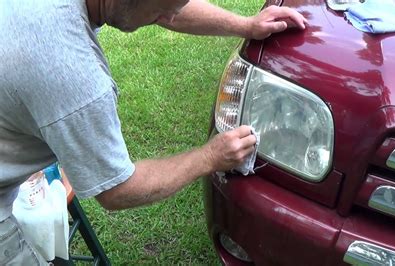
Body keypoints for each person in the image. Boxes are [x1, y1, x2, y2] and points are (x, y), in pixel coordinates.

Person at [0, 0, 307, 264]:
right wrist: (209, 157)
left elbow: (165, 9)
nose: (170, 19)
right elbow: (117, 190)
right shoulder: (74, 79)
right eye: (162, 12)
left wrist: (247, 26)